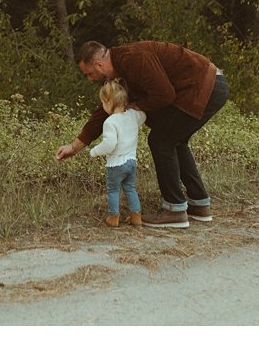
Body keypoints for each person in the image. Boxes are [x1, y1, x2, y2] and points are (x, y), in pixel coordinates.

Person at [58, 40, 229, 228]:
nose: (90, 79)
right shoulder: (121, 71)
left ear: (99, 65)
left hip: (206, 86)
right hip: (208, 86)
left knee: (161, 141)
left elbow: (164, 94)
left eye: (89, 74)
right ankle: (199, 205)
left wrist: (137, 106)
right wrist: (74, 147)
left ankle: (175, 210)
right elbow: (105, 111)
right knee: (174, 141)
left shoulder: (133, 59)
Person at [90, 79, 145, 227]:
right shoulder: (133, 116)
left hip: (116, 164)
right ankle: (136, 216)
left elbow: (110, 144)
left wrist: (94, 152)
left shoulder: (110, 122)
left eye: (103, 102)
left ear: (108, 102)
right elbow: (143, 116)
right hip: (131, 162)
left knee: (113, 190)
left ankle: (113, 217)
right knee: (130, 189)